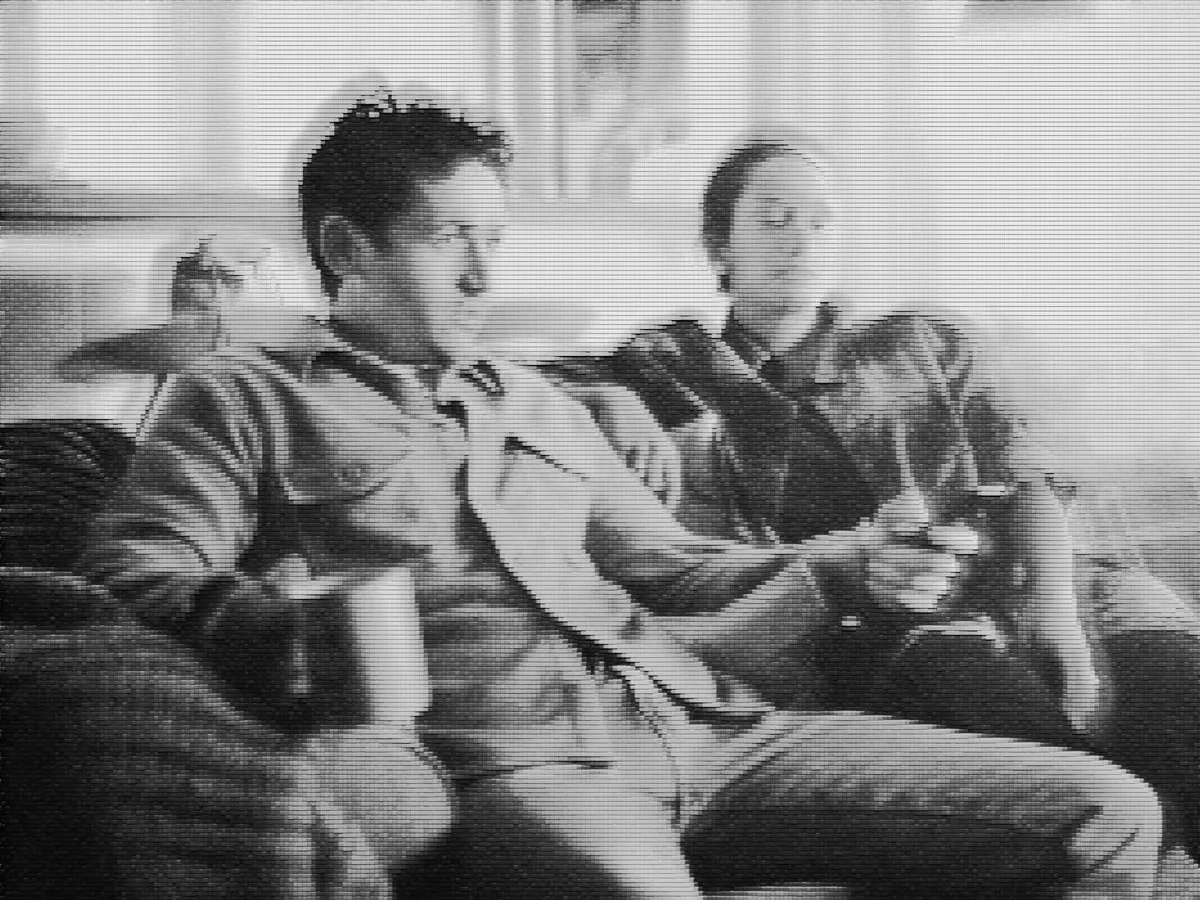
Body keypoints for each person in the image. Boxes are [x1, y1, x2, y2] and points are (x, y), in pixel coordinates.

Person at [77, 95, 1165, 899]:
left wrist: (848, 560)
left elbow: (678, 566)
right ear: (345, 248)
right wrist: (277, 630)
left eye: (493, 241)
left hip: (701, 722)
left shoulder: (532, 402)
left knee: (1109, 812)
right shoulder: (245, 398)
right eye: (450, 238)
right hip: (519, 759)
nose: (483, 275)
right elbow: (131, 567)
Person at [546, 132, 1200, 854]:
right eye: (774, 218)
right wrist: (611, 397)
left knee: (1182, 705)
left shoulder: (924, 340)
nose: (800, 238)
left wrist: (1061, 628)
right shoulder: (669, 363)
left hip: (1066, 584)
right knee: (1085, 793)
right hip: (895, 619)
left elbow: (1031, 476)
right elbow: (500, 379)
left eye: (820, 221)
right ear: (718, 244)